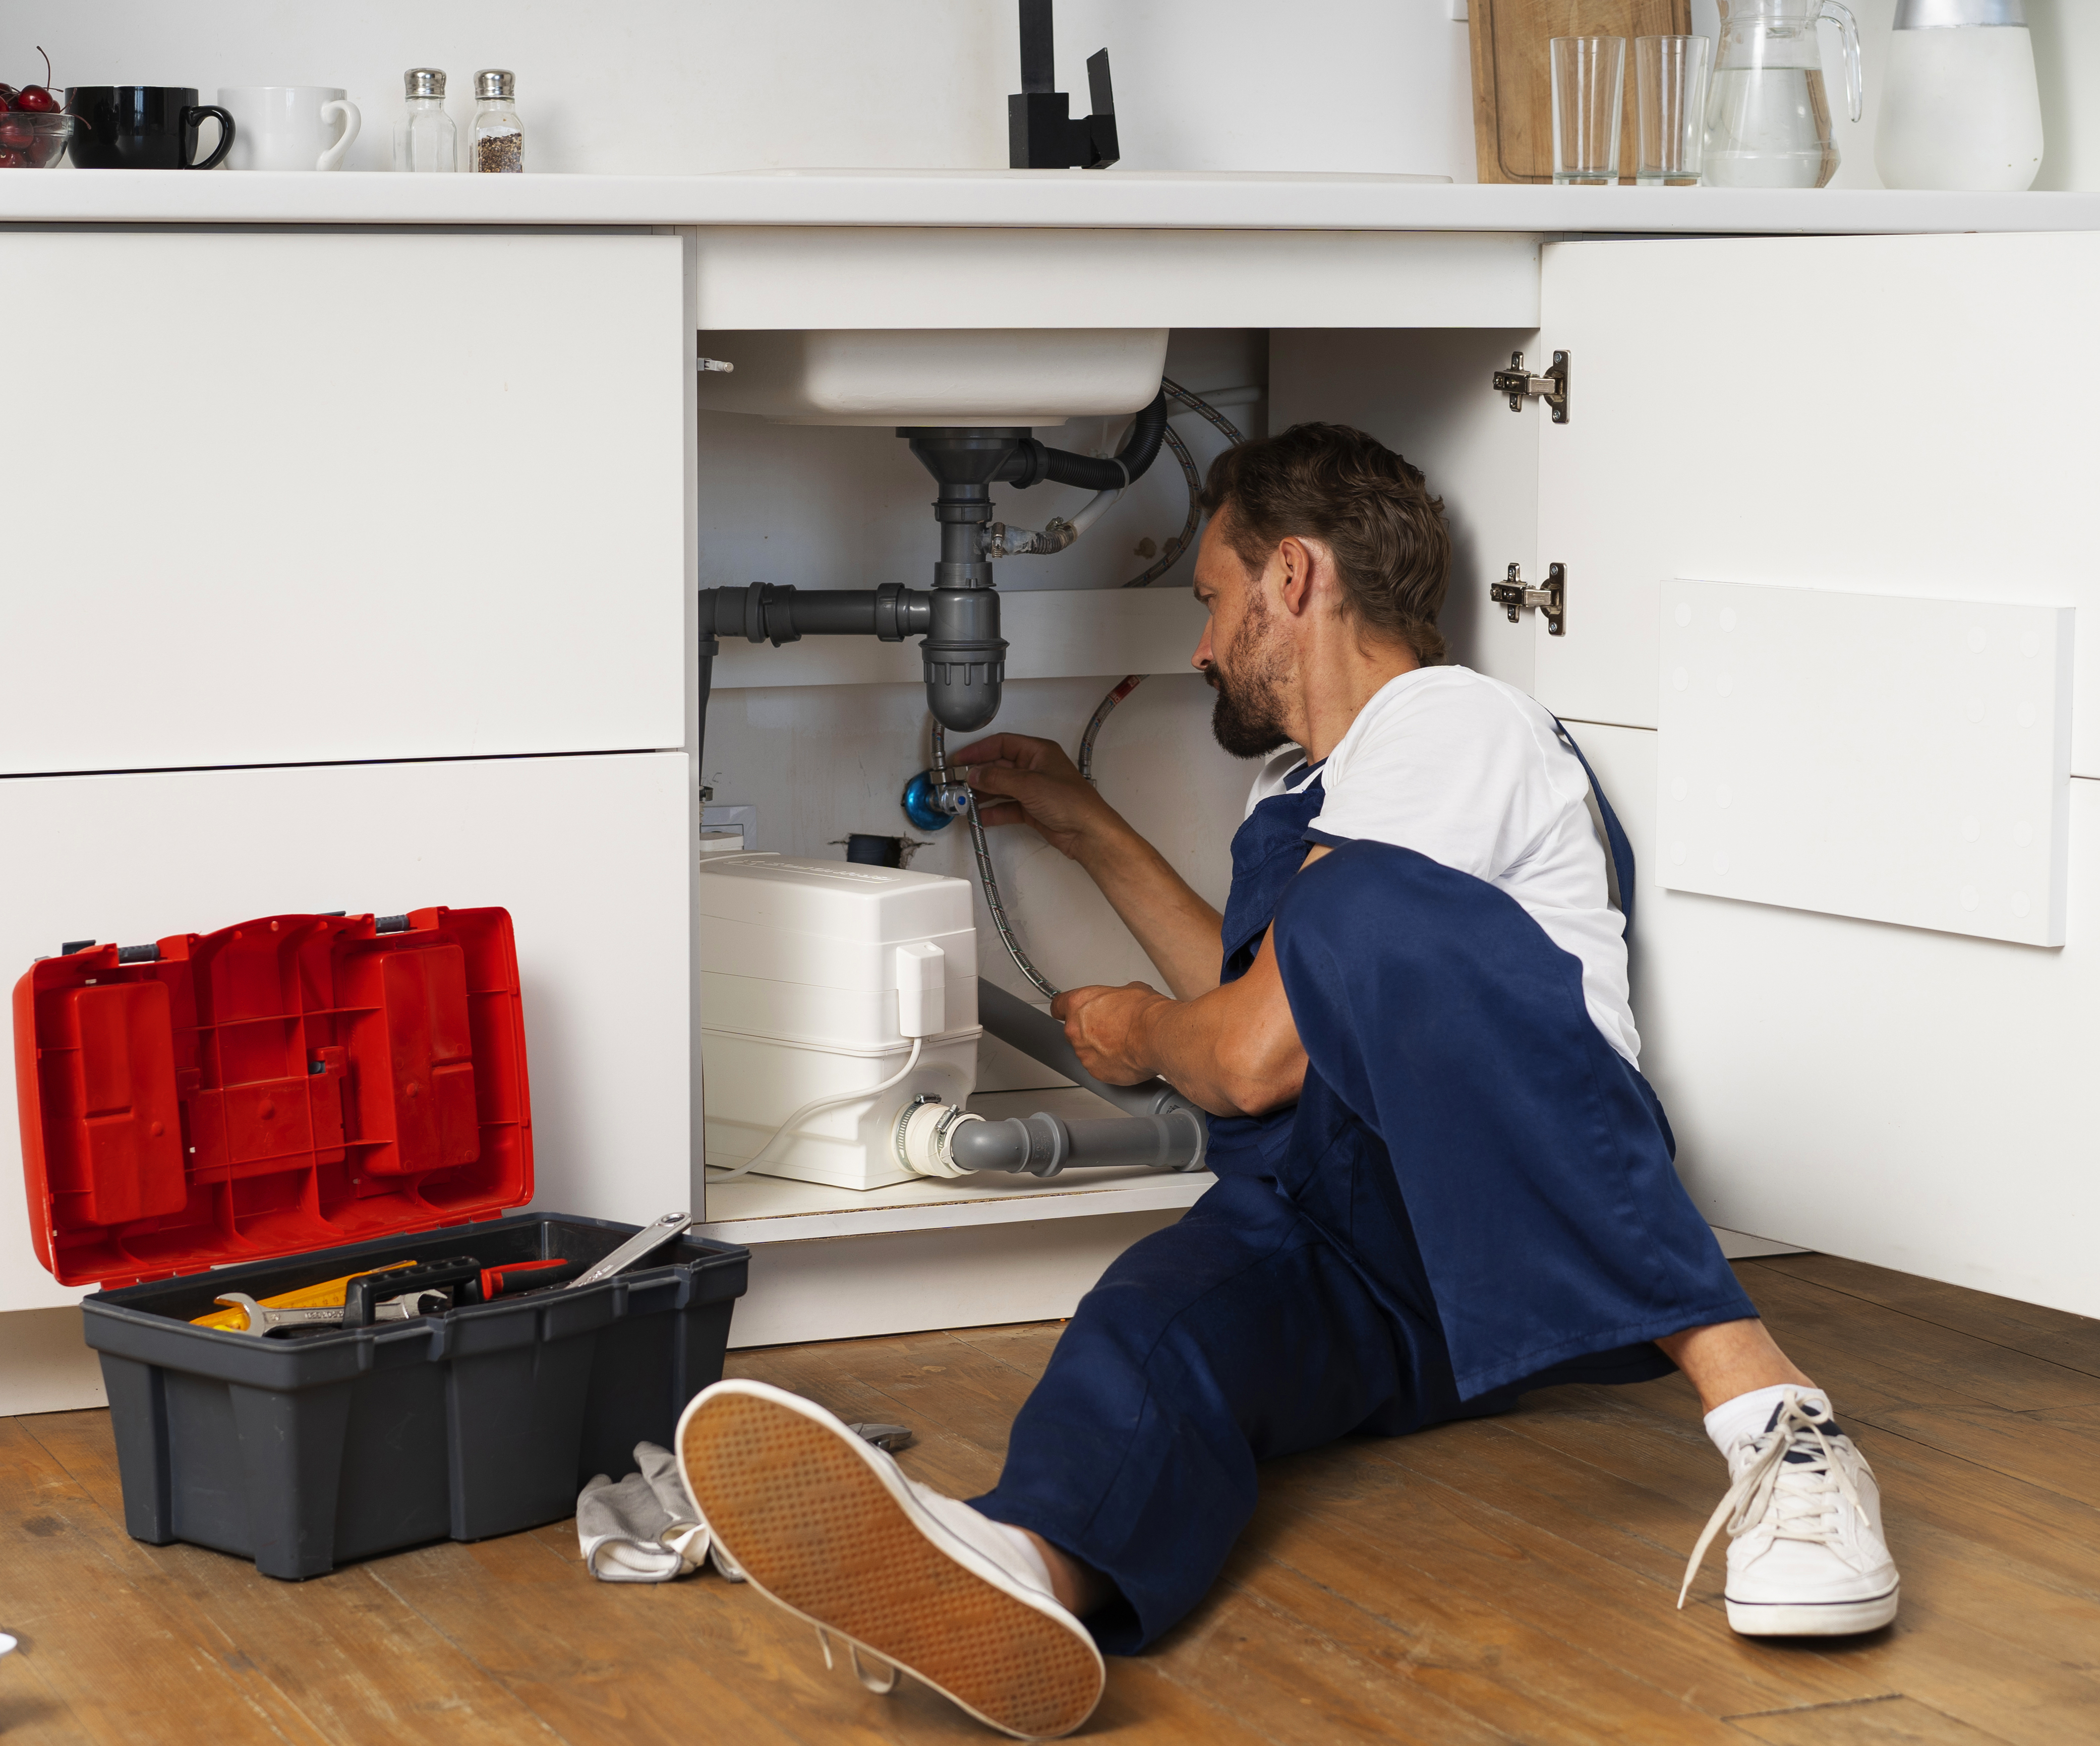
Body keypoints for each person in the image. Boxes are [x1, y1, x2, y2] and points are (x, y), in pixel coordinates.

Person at [673, 424, 1900, 1741]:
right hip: (1349, 1251)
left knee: (1352, 916)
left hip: (1517, 1201)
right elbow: (1267, 1000)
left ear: (1295, 578)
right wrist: (1087, 826)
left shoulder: (1448, 723)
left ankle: (1779, 1424)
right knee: (1152, 1326)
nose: (1201, 645)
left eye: (1211, 598)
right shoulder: (1301, 791)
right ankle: (1025, 1572)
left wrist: (1148, 1033)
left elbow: (1257, 1050)